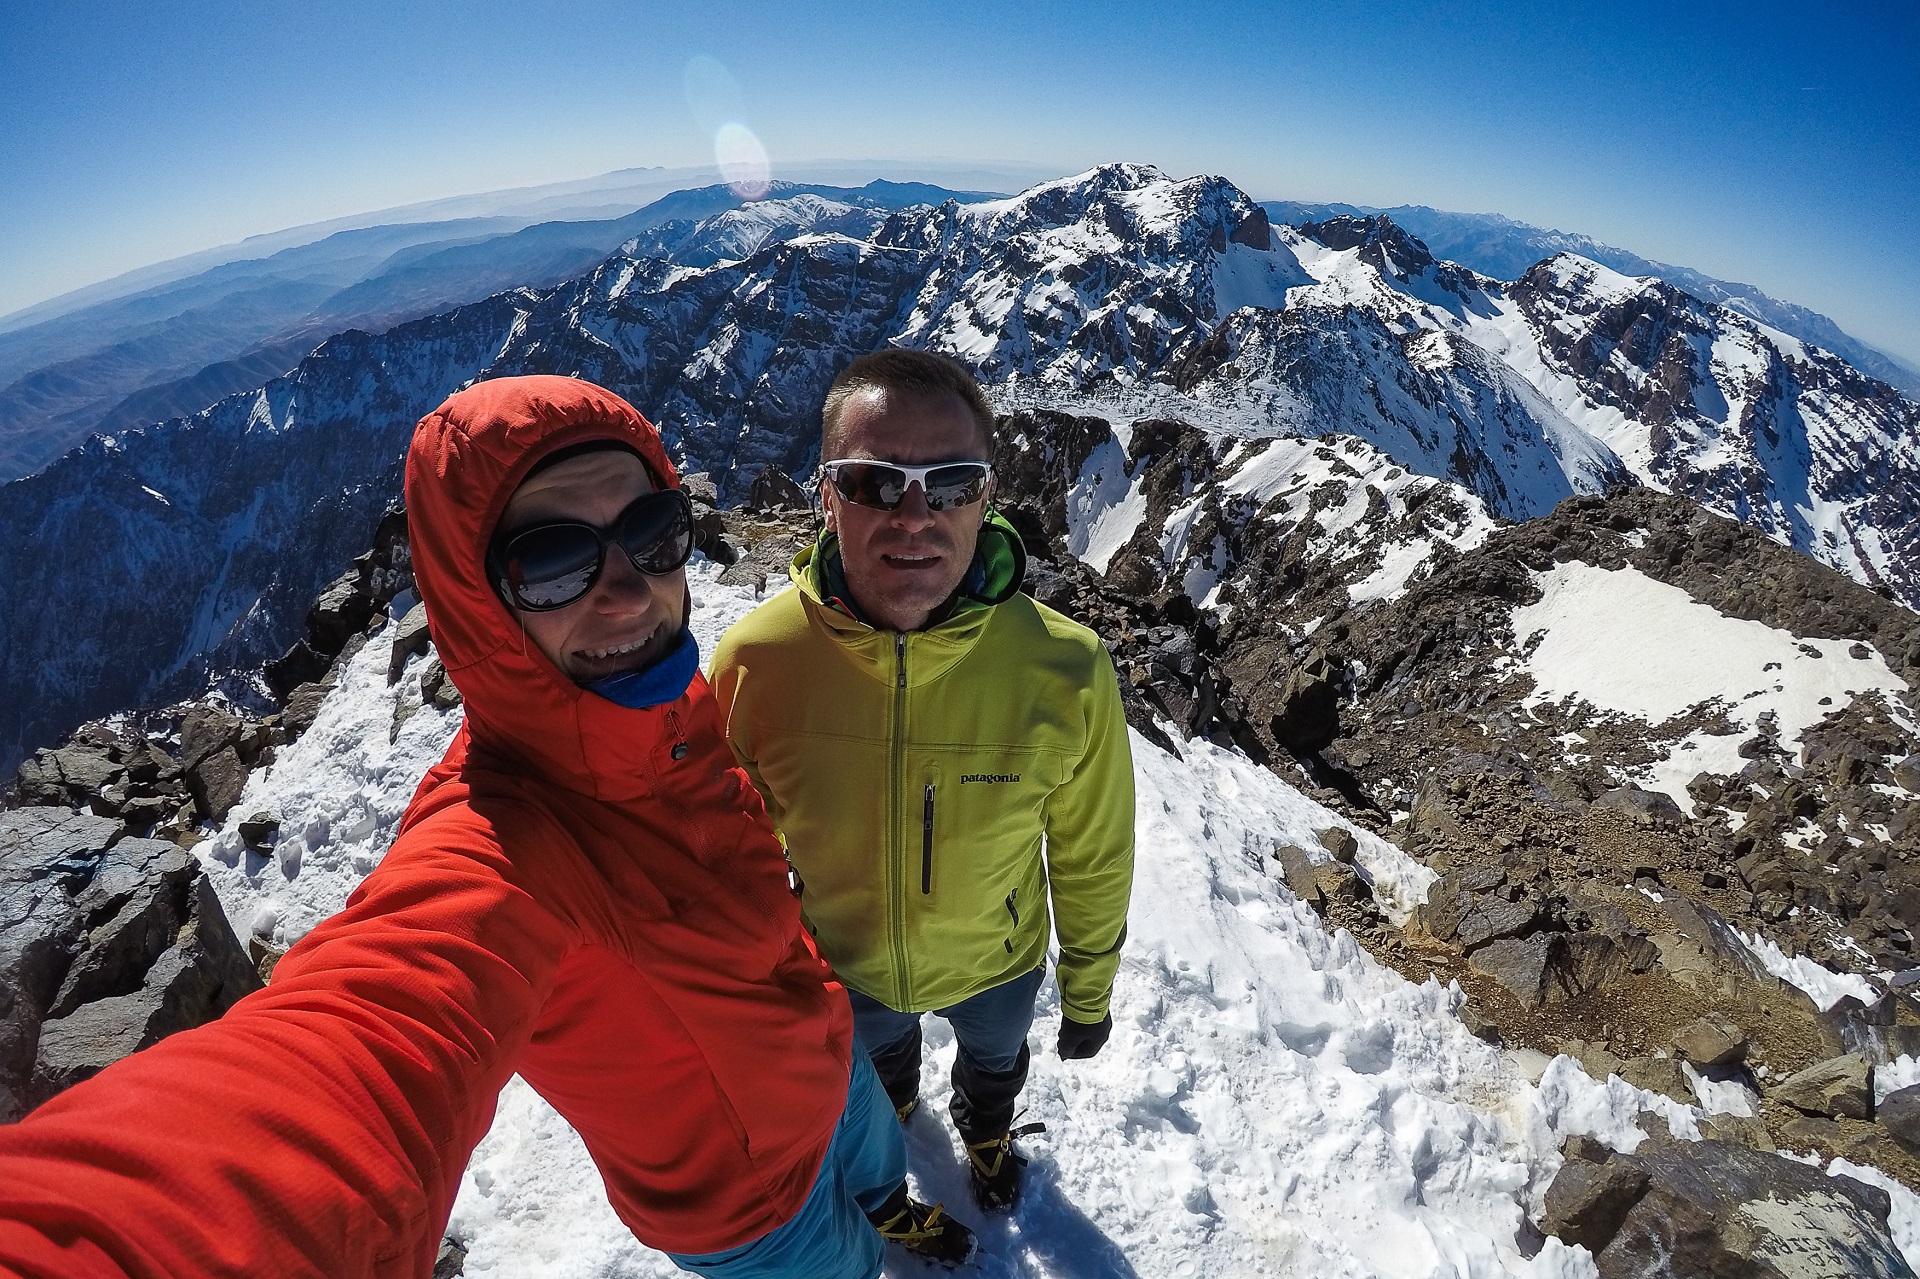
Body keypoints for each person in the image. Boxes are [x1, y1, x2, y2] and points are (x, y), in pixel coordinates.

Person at [0, 375, 974, 1277]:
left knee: (878, 1158)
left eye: (651, 530)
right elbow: (359, 1051)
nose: (630, 589)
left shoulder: (664, 713)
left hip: (827, 1053)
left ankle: (895, 1205)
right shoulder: (504, 844)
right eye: (551, 563)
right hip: (756, 1203)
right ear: (477, 606)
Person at [710, 351, 1135, 1214]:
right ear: (826, 495)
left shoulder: (1065, 670)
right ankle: (896, 1107)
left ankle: (984, 1127)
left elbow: (1093, 851)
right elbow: (719, 859)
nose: (913, 513)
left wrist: (1088, 992)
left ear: (987, 499)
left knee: (993, 1064)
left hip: (998, 963)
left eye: (949, 483)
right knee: (876, 1072)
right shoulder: (756, 667)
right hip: (844, 967)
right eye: (873, 481)